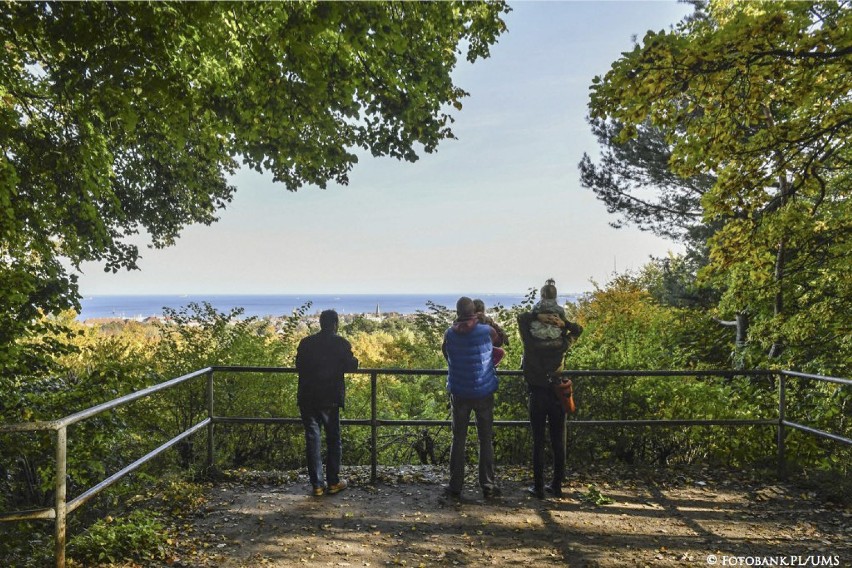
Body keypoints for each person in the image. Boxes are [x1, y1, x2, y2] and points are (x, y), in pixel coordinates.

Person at [517, 280, 582, 499]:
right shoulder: (564, 342)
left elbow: (521, 318)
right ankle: (556, 485)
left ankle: (538, 486)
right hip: (557, 392)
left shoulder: (530, 341)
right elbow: (578, 330)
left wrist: (537, 317)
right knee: (558, 440)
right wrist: (564, 324)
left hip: (537, 391)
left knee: (538, 441)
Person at [295, 309, 359, 497]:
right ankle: (333, 482)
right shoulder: (341, 344)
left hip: (308, 397)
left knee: (312, 440)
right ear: (336, 324)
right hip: (330, 398)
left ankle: (316, 484)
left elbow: (298, 365)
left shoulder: (306, 343)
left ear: (320, 323)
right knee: (333, 439)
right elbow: (351, 365)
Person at [442, 297, 500, 499]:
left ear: (457, 312)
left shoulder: (449, 333)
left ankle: (455, 485)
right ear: (474, 311)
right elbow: (499, 339)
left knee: (458, 438)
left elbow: (447, 355)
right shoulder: (486, 331)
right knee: (485, 439)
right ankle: (488, 484)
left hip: (459, 392)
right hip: (483, 391)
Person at [529, 279, 570, 349]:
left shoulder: (537, 307)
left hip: (537, 334)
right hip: (554, 335)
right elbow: (563, 323)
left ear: (542, 295)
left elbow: (529, 316)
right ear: (555, 295)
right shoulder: (559, 309)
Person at [473, 298, 508, 366]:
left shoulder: (467, 320)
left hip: (470, 349)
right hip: (485, 349)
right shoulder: (488, 320)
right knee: (500, 352)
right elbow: (499, 332)